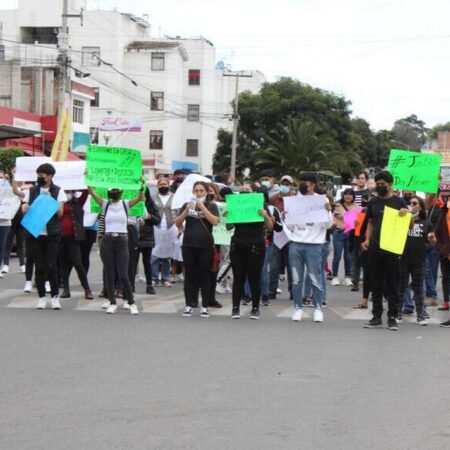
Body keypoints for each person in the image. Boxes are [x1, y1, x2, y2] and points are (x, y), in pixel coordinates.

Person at [88, 184, 145, 315]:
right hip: (107, 240)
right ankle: (112, 302)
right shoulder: (105, 204)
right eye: (112, 191)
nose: (114, 193)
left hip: (122, 240)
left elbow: (140, 197)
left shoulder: (125, 204)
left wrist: (142, 185)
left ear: (121, 192)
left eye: (116, 191)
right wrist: (88, 180)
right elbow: (91, 192)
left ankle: (131, 302)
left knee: (123, 274)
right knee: (109, 273)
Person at [361, 170, 407, 330]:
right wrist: (367, 239)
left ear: (390, 185)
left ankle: (393, 317)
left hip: (392, 249)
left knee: (393, 284)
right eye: (378, 184)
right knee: (376, 283)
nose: (380, 187)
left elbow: (409, 224)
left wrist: (405, 214)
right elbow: (371, 222)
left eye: (383, 184)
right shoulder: (373, 203)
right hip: (375, 247)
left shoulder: (399, 202)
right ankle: (376, 316)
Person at [21, 163, 67, 310]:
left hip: (51, 234)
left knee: (52, 266)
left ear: (50, 176)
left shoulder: (58, 191)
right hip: (35, 234)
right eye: (38, 174)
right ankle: (41, 297)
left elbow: (60, 214)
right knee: (39, 267)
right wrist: (24, 208)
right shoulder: (33, 190)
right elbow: (24, 208)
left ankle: (54, 297)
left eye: (43, 174)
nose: (40, 177)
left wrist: (49, 201)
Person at [288, 173, 333, 323]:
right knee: (296, 278)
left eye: (305, 182)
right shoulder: (295, 201)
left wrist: (328, 211)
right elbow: (290, 226)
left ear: (313, 184)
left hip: (315, 245)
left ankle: (318, 307)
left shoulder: (322, 200)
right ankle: (297, 308)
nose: (302, 185)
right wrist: (288, 216)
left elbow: (328, 225)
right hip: (296, 243)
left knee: (315, 276)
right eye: (301, 182)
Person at [227, 182, 274, 319]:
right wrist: (230, 215)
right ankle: (235, 307)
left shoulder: (262, 205)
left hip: (256, 245)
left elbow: (270, 227)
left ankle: (255, 308)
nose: (245, 192)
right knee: (238, 277)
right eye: (243, 190)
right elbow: (229, 226)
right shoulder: (237, 204)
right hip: (238, 243)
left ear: (255, 192)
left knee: (254, 277)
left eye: (248, 190)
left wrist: (265, 215)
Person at [175, 181, 219, 318]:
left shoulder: (212, 206)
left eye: (201, 191)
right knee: (189, 276)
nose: (198, 193)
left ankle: (204, 306)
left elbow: (215, 221)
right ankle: (189, 305)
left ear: (206, 192)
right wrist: (187, 210)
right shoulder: (187, 205)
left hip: (205, 246)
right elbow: (177, 223)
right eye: (196, 191)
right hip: (189, 245)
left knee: (205, 276)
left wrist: (202, 208)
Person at [398, 196, 430, 325]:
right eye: (409, 203)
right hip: (403, 258)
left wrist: (432, 239)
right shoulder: (402, 220)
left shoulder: (426, 222)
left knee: (418, 288)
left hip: (419, 260)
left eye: (414, 203)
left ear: (420, 207)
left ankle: (420, 315)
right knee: (401, 287)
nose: (411, 205)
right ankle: (398, 314)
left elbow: (431, 240)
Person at [59, 190, 94, 299]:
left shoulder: (78, 202)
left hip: (74, 237)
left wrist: (85, 177)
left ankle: (87, 289)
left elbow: (87, 191)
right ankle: (66, 289)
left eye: (70, 191)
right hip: (61, 236)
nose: (68, 193)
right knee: (64, 265)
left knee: (78, 263)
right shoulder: (59, 202)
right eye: (66, 191)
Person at [268, 175, 294, 299]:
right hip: (277, 234)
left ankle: (293, 291)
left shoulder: (295, 199)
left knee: (291, 265)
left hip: (291, 236)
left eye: (288, 184)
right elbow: (269, 211)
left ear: (291, 186)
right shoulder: (273, 198)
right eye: (283, 183)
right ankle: (272, 290)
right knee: (274, 265)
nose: (285, 186)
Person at [135, 187, 161, 294]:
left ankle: (149, 285)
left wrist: (149, 216)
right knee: (132, 263)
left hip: (147, 237)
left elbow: (157, 220)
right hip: (134, 237)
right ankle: (130, 286)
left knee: (147, 262)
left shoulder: (150, 203)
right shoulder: (131, 202)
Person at [331, 188, 358, 286]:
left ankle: (347, 277)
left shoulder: (356, 207)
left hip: (350, 234)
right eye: (346, 194)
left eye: (350, 194)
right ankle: (335, 277)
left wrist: (347, 216)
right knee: (337, 256)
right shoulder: (338, 205)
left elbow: (356, 219)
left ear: (353, 197)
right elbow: (337, 216)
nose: (348, 196)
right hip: (339, 232)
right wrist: (349, 215)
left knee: (348, 257)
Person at [152, 177, 175, 287]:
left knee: (166, 254)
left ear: (168, 185)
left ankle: (165, 278)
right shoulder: (153, 198)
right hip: (156, 227)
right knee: (155, 253)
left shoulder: (174, 197)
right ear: (158, 186)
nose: (163, 186)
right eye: (161, 184)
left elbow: (177, 211)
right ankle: (154, 278)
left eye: (165, 184)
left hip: (170, 228)